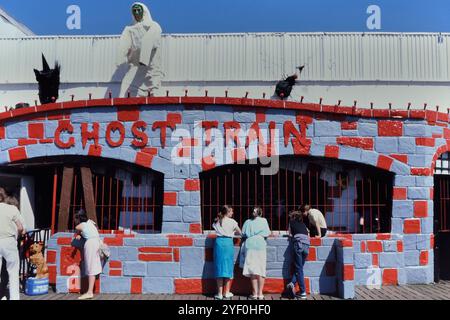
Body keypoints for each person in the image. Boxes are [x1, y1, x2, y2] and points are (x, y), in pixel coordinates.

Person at [118, 2, 163, 97]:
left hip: (151, 71)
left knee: (156, 99)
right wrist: (121, 59)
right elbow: (124, 45)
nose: (137, 12)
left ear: (144, 12)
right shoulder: (129, 29)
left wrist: (144, 58)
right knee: (124, 94)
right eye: (134, 11)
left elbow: (151, 41)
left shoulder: (154, 26)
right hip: (135, 69)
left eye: (139, 10)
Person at [240, 207, 271, 300]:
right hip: (260, 244)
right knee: (261, 269)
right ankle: (260, 293)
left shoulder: (247, 222)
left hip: (250, 245)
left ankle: (254, 293)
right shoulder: (264, 220)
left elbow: (243, 233)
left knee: (252, 269)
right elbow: (267, 233)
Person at [0, 187, 25, 300]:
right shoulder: (12, 209)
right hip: (9, 241)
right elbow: (20, 228)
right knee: (13, 271)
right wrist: (18, 235)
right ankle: (14, 298)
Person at [212, 205, 241, 300]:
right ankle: (227, 292)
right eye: (231, 211)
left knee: (219, 266)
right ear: (227, 212)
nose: (232, 213)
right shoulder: (232, 222)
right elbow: (240, 232)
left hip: (219, 243)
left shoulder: (217, 220)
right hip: (228, 243)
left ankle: (219, 293)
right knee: (228, 266)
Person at [74, 210, 102, 300]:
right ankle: (90, 291)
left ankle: (89, 292)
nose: (74, 220)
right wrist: (81, 234)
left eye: (75, 218)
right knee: (93, 266)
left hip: (91, 243)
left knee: (90, 267)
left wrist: (79, 234)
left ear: (78, 218)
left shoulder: (80, 225)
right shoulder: (91, 222)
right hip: (97, 242)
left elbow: (77, 228)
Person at [286, 210, 310, 299]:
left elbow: (290, 234)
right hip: (307, 245)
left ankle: (303, 292)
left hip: (299, 244)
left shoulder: (291, 222)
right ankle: (292, 283)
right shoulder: (303, 225)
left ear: (293, 217)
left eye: (291, 216)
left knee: (299, 269)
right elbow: (308, 232)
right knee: (299, 268)